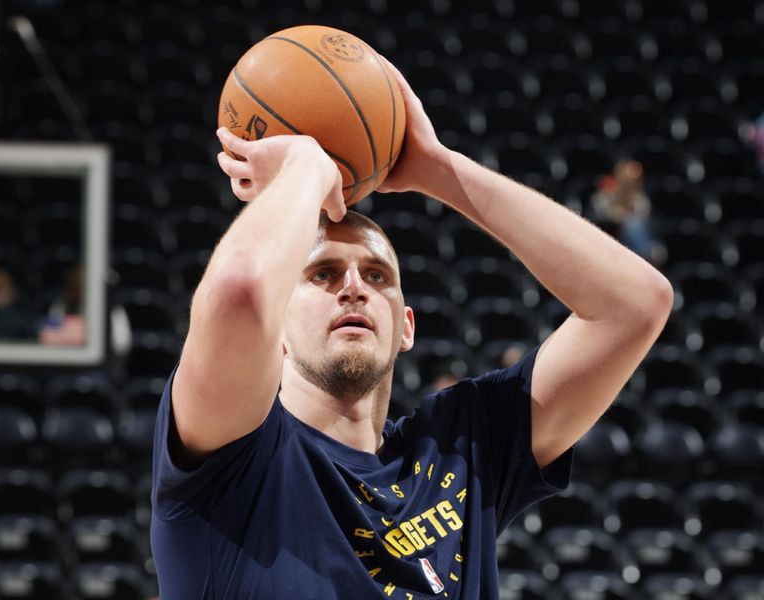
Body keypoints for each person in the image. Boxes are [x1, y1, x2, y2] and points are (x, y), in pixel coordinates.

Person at [150, 60, 673, 599]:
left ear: (406, 327)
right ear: (275, 328)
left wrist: (436, 168)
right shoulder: (237, 454)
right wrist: (306, 168)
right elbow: (238, 291)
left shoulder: (459, 447)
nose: (353, 286)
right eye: (322, 273)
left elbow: (636, 305)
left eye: (377, 275)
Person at [590, 159, 665, 265]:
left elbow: (643, 215)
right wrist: (619, 213)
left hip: (633, 234)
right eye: (626, 180)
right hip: (612, 233)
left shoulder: (639, 197)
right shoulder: (605, 195)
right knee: (632, 224)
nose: (628, 184)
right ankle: (646, 253)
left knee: (634, 224)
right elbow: (601, 213)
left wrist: (628, 203)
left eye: (632, 181)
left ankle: (645, 254)